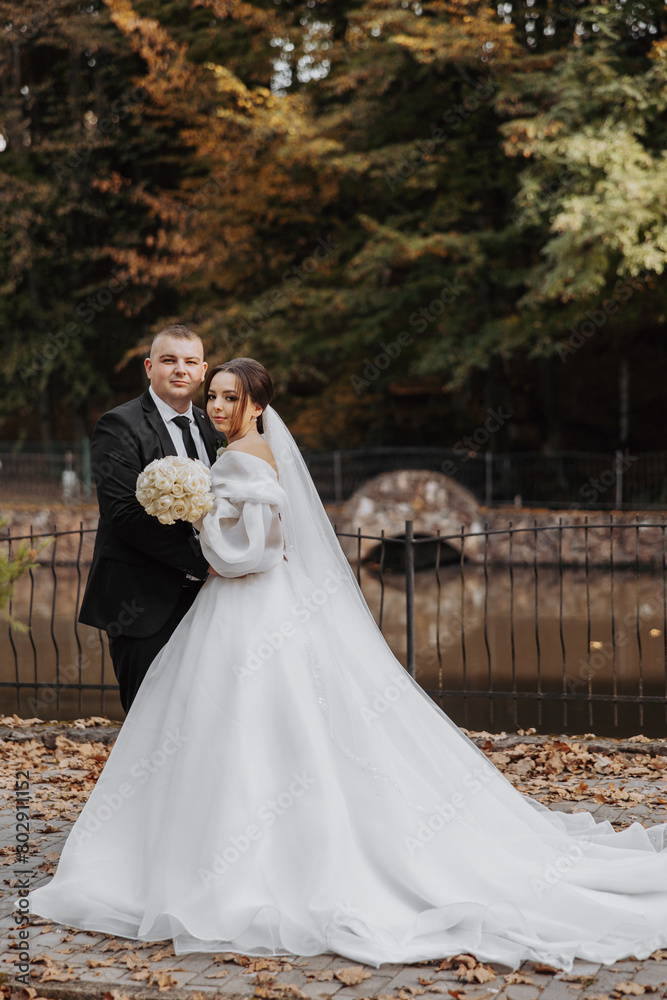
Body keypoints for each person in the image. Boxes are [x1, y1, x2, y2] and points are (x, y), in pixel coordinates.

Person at [28, 358, 667, 970]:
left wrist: (200, 527)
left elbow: (254, 551)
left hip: (246, 603)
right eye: (214, 395)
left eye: (230, 396)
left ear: (257, 403)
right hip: (250, 608)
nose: (218, 406)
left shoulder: (244, 457)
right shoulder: (241, 452)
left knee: (247, 721)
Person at [78, 324, 220, 712]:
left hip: (212, 601)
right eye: (169, 360)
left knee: (203, 714)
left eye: (190, 362)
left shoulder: (213, 425)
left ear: (203, 370)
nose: (180, 369)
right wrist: (207, 563)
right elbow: (124, 514)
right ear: (149, 366)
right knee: (148, 717)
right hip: (140, 601)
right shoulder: (119, 425)